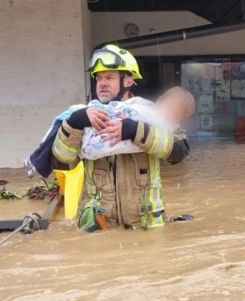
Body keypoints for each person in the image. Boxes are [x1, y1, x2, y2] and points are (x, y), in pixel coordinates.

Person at [51, 44, 191, 231]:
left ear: (128, 80)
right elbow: (61, 162)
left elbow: (178, 152)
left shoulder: (152, 114)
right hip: (99, 227)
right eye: (99, 78)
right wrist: (75, 123)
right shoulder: (84, 116)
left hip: (146, 227)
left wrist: (135, 131)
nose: (102, 83)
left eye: (109, 77)